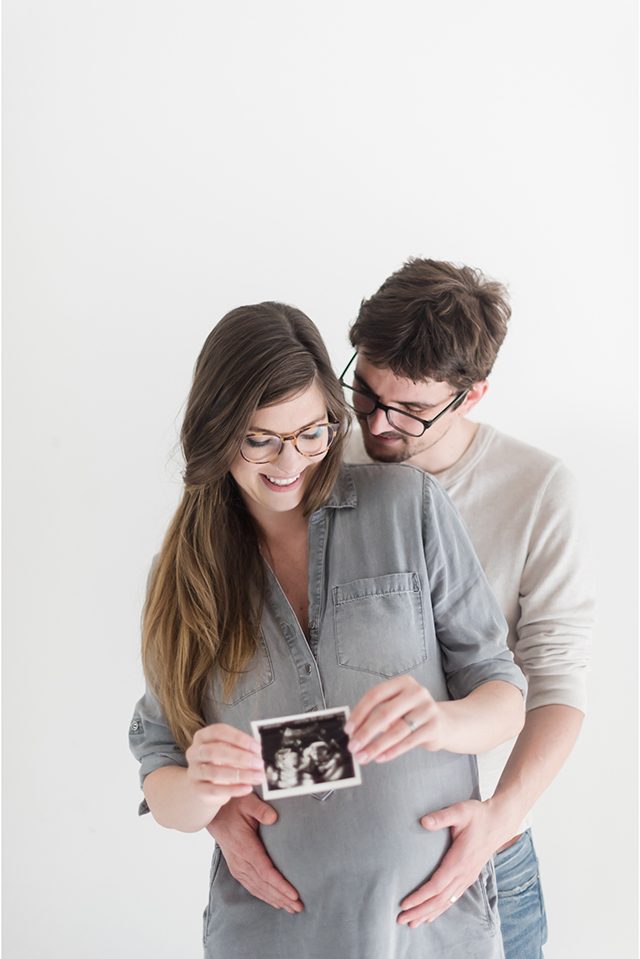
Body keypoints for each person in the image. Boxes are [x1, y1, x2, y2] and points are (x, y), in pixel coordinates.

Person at [129, 300, 526, 959]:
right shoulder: (180, 578)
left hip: (432, 932)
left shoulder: (408, 506)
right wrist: (199, 788)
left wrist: (441, 721)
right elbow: (159, 762)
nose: (292, 462)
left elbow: (504, 693)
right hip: (270, 935)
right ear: (218, 431)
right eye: (261, 439)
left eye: (313, 432)